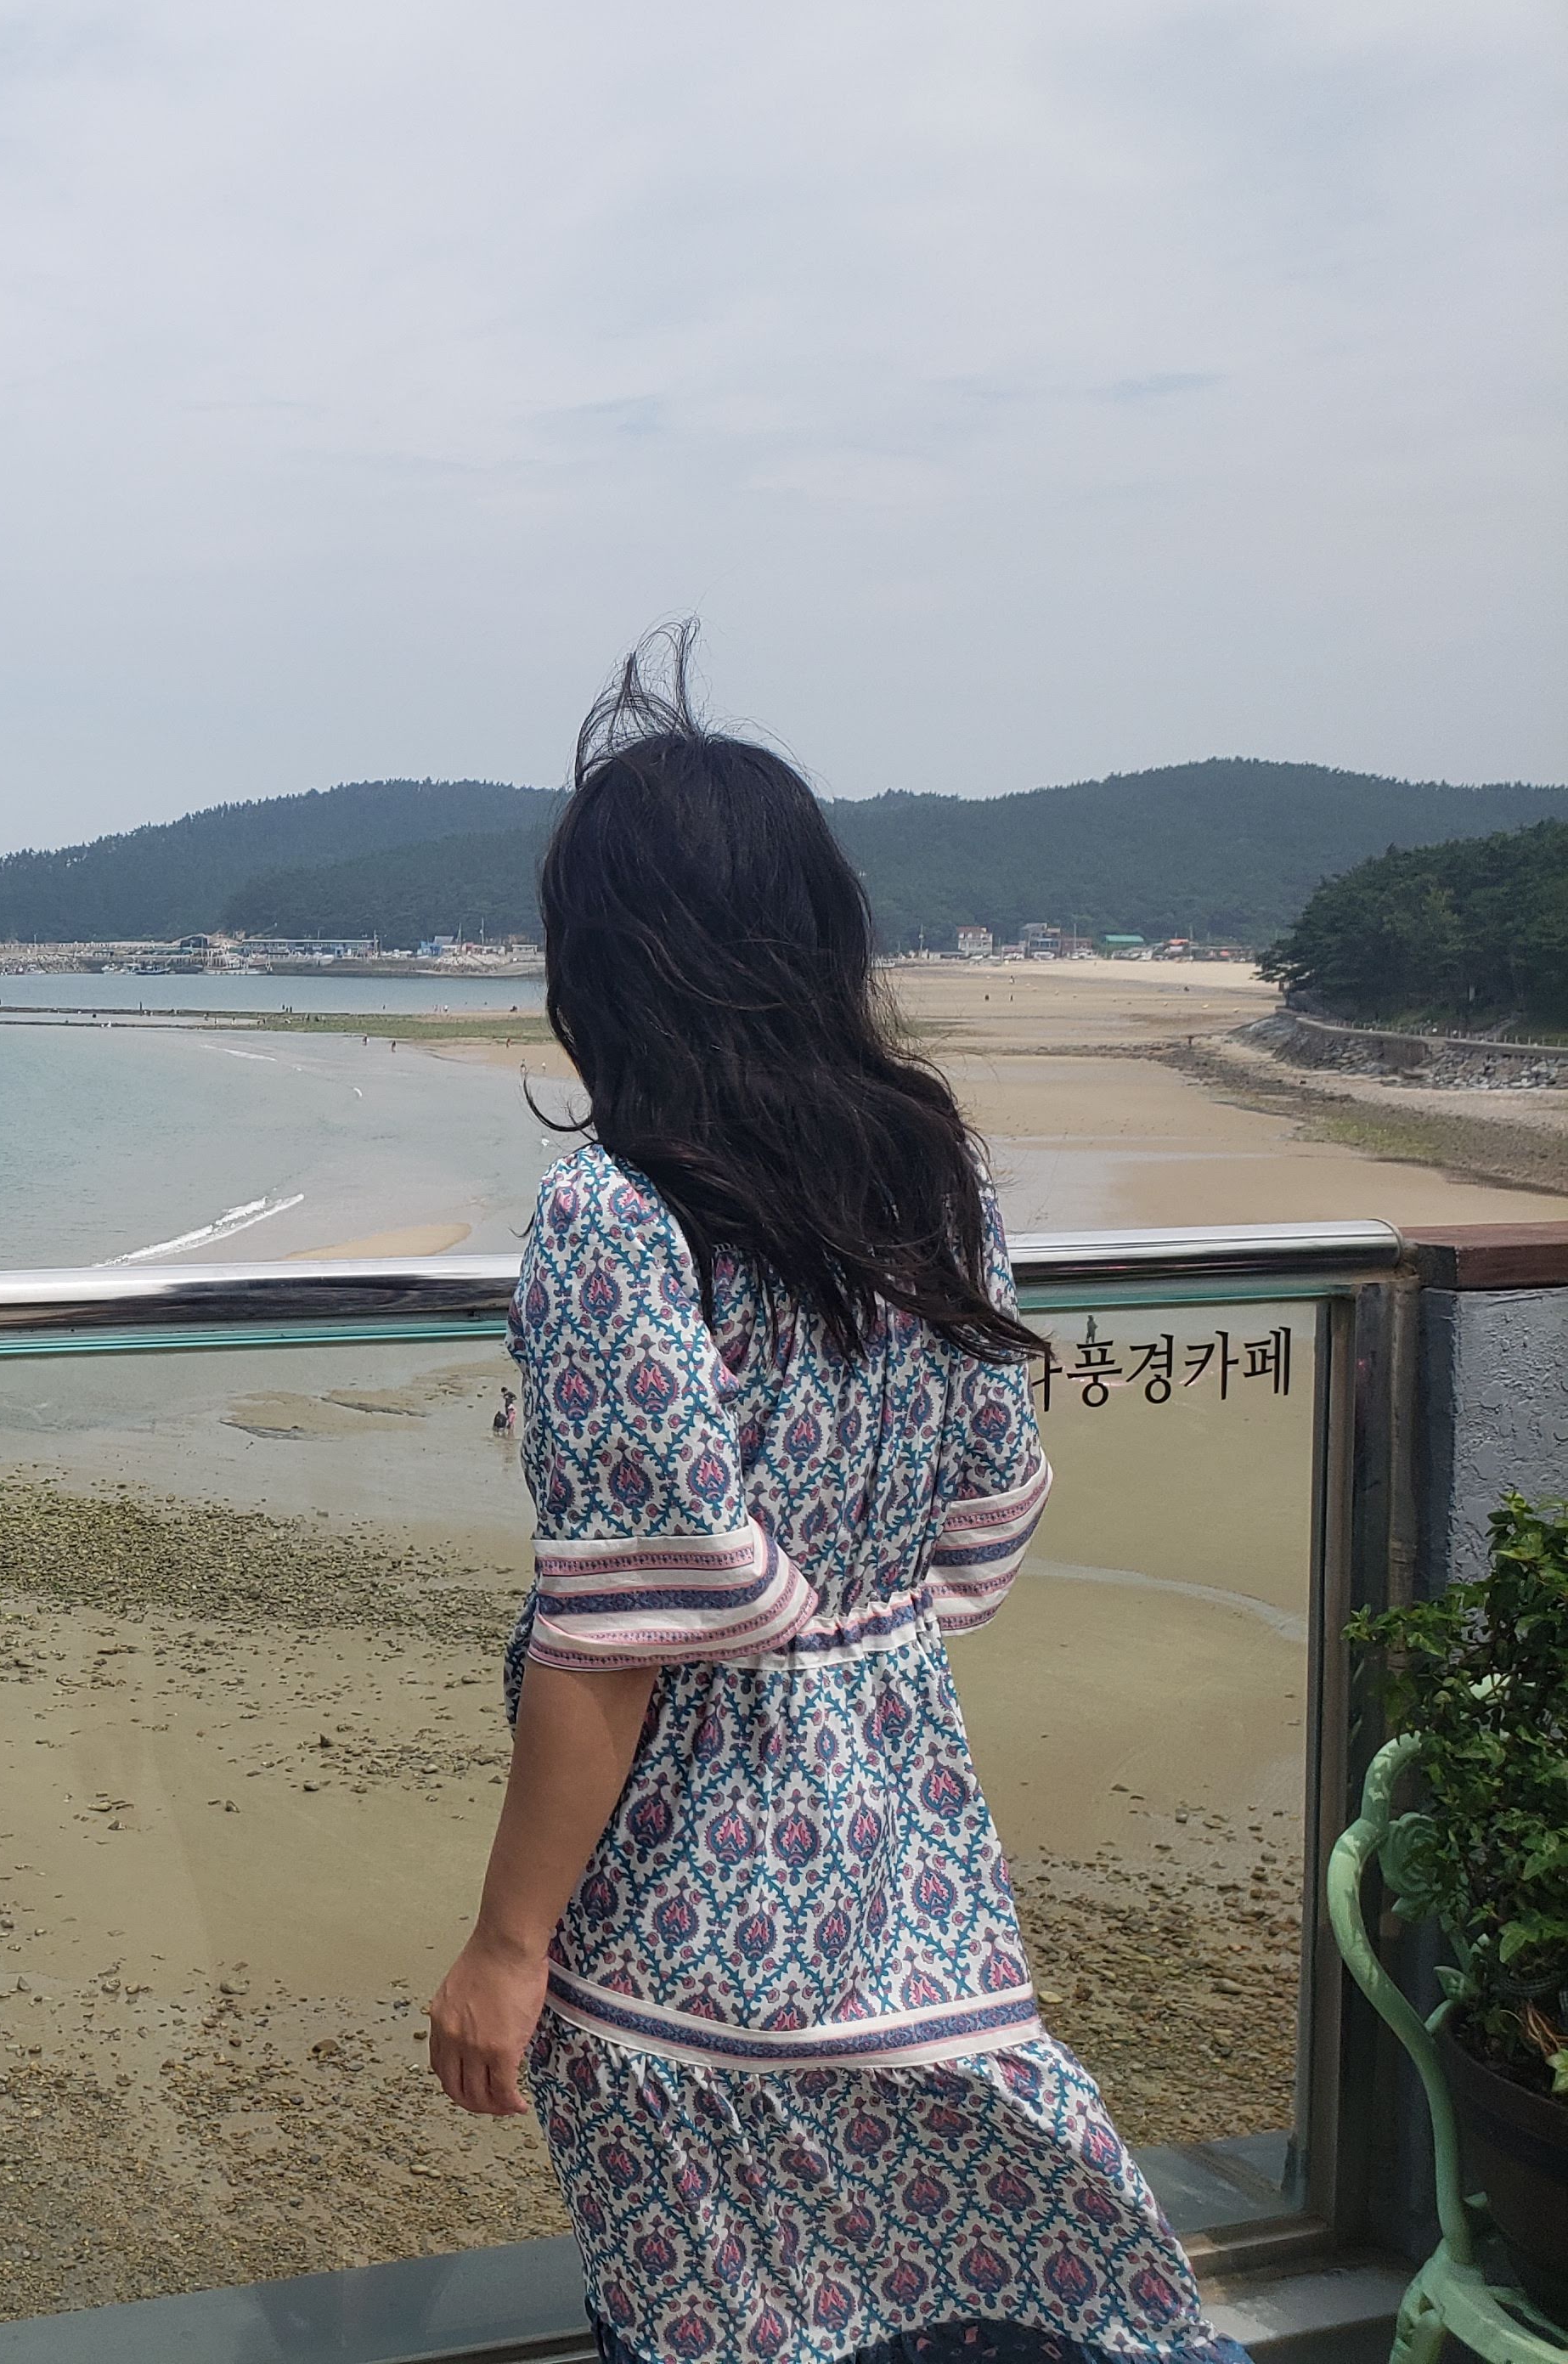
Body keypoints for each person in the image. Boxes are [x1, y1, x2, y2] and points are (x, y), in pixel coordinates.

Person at [426, 627, 1241, 2364]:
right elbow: (986, 1508)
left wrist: (506, 1943)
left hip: (687, 1899)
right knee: (965, 2289)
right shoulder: (932, 1174)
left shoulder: (616, 1218)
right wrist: (845, 1628)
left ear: (608, 961)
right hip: (904, 1842)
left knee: (719, 2314)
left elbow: (622, 1636)